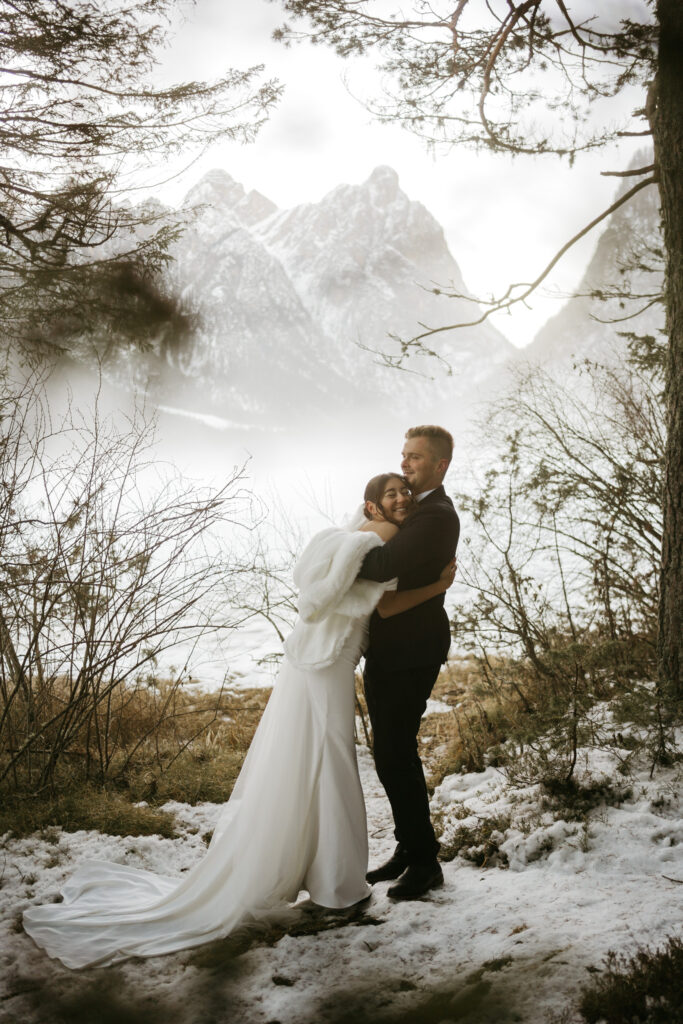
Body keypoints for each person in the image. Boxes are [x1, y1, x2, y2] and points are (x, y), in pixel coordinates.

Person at [22, 473, 456, 969]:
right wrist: (441, 585)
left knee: (314, 758)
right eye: (391, 494)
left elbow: (345, 592)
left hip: (317, 659)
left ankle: (331, 877)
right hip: (328, 661)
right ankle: (339, 886)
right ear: (372, 507)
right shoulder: (382, 538)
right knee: (330, 760)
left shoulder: (348, 538)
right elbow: (391, 601)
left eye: (405, 491)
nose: (402, 498)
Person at [358, 426, 460, 901]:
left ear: (440, 465)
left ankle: (424, 863)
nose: (405, 465)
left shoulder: (436, 516)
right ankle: (409, 847)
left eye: (415, 458)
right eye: (403, 456)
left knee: (396, 753)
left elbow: (378, 568)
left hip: (411, 649)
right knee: (390, 754)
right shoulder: (416, 510)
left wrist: (349, 547)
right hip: (393, 647)